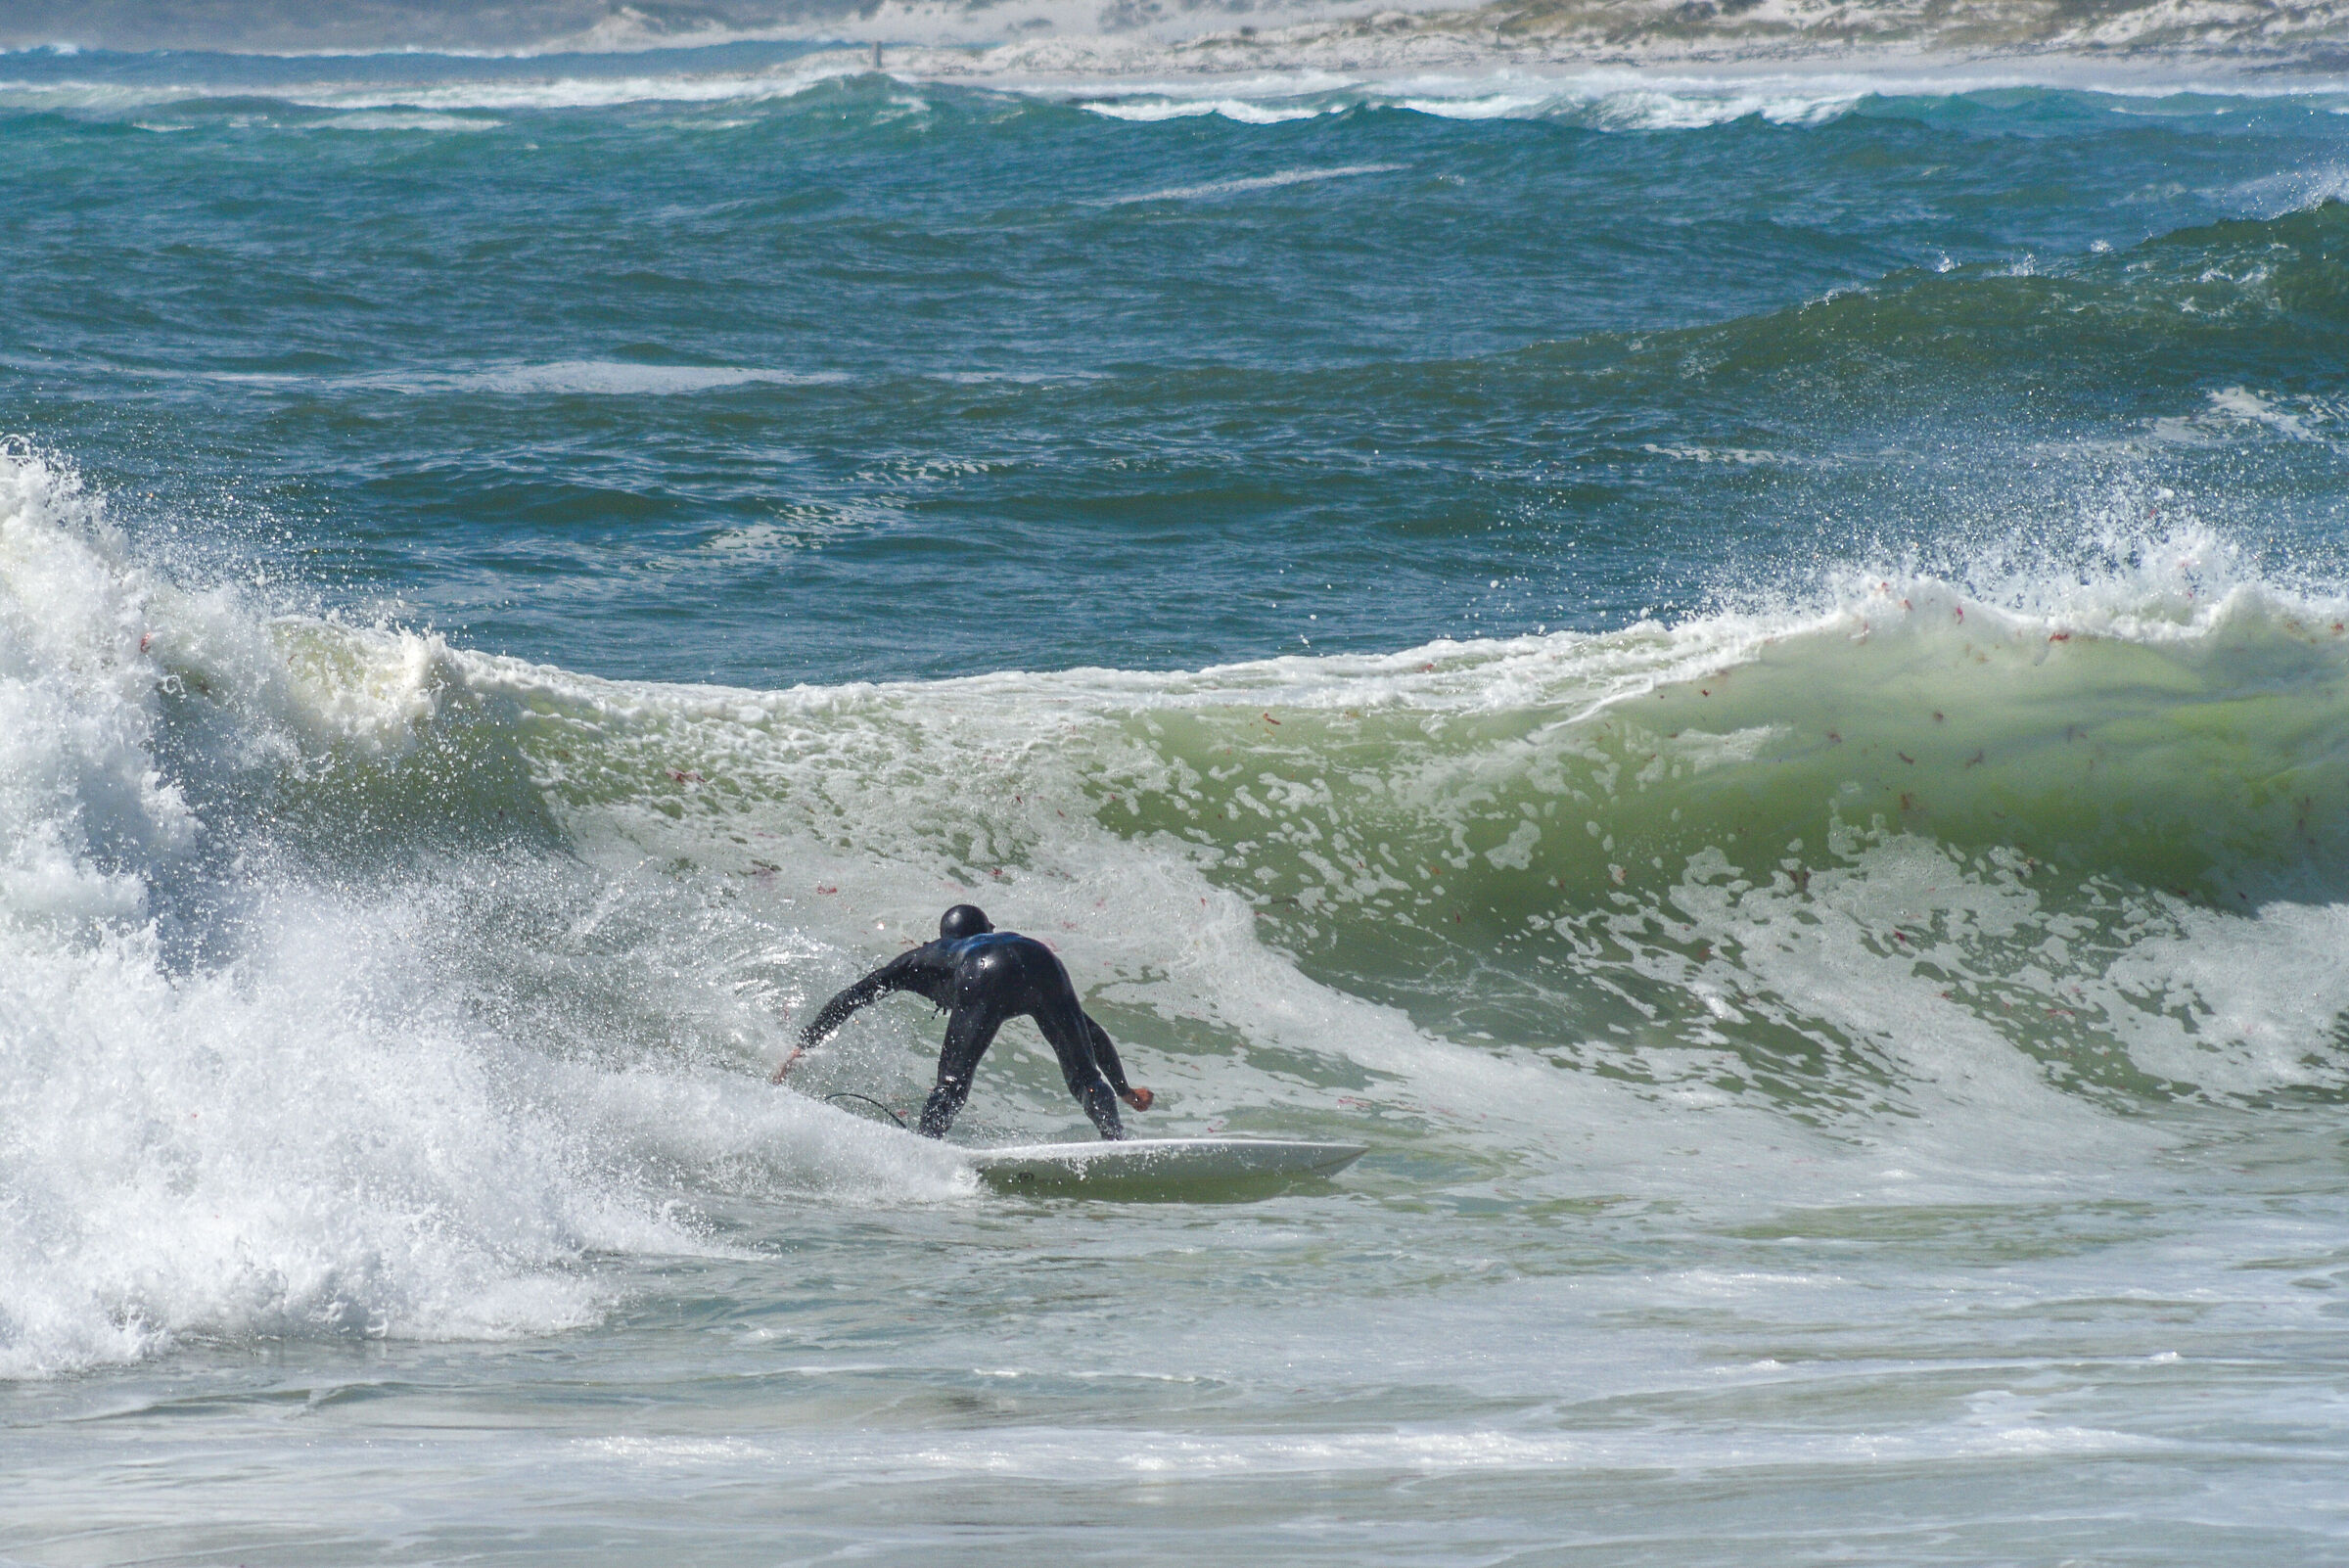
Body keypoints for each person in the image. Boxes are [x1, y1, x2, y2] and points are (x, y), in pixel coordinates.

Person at [775, 904, 1153, 1139]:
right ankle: (1116, 1141)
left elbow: (851, 997)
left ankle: (924, 1150)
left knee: (952, 1083)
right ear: (986, 930)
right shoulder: (1005, 942)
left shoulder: (926, 958)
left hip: (984, 973)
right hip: (1042, 959)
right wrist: (1123, 1089)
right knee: (1085, 1076)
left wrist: (802, 1045)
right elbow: (1090, 1032)